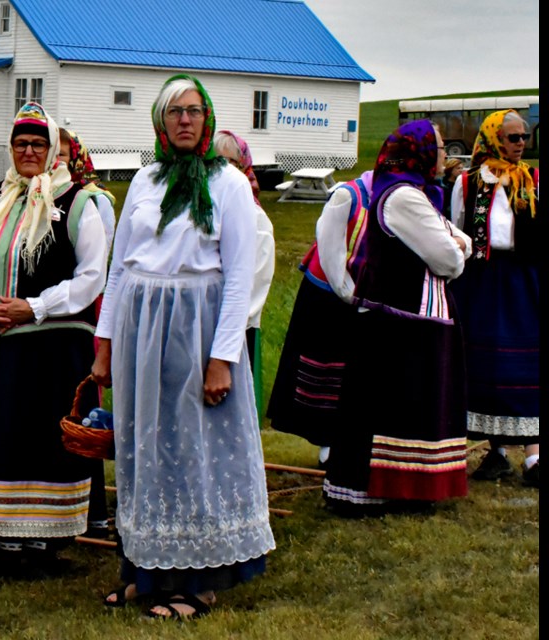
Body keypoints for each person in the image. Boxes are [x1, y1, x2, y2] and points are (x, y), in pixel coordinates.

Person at [92, 74, 275, 620]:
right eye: (175, 112)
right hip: (140, 328)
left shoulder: (229, 186)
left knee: (194, 447)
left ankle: (196, 582)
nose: (185, 120)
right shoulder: (144, 180)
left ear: (208, 118)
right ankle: (145, 572)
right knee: (144, 446)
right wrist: (104, 342)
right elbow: (119, 269)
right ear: (160, 121)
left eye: (194, 111)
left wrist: (222, 359)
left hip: (197, 328)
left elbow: (239, 279)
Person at [0, 102, 108, 577]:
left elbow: (92, 275)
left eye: (38, 143)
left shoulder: (78, 201)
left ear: (53, 148)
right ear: (11, 148)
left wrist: (34, 306)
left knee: (36, 442)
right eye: (21, 143)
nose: (29, 151)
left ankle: (41, 544)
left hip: (48, 348)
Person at [323, 120, 472, 515]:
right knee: (396, 404)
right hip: (400, 321)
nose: (444, 157)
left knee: (406, 403)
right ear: (420, 152)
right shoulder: (403, 197)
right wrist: (456, 251)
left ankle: (405, 487)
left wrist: (457, 246)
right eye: (439, 149)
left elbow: (463, 242)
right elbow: (448, 258)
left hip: (408, 317)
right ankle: (381, 489)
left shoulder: (417, 194)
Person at [450, 110, 539, 486]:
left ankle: (535, 456)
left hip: (524, 280)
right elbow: (454, 230)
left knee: (528, 364)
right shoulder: (468, 184)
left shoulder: (533, 181)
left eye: (524, 138)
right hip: (482, 281)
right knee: (487, 364)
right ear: (492, 139)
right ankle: (497, 451)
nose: (521, 145)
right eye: (513, 137)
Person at [266, 169, 374, 467]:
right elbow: (330, 253)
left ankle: (351, 438)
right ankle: (327, 442)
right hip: (327, 294)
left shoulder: (400, 198)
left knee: (355, 372)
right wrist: (351, 296)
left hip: (363, 296)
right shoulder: (348, 196)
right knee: (326, 368)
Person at [57, 127, 116, 539]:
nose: (55, 161)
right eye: (51, 153)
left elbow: (99, 267)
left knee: (80, 406)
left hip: (87, 313)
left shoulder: (93, 201)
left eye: (62, 154)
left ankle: (90, 507)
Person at [212, 130, 275, 413]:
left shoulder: (256, 218)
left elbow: (256, 282)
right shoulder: (203, 211)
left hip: (235, 330)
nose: (223, 170)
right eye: (215, 162)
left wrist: (226, 321)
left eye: (231, 163)